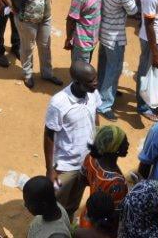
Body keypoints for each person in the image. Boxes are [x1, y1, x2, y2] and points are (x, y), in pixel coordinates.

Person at [43, 61, 100, 217]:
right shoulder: (59, 102)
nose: (96, 83)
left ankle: (66, 227)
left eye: (95, 78)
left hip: (85, 163)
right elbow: (49, 134)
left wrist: (97, 142)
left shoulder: (93, 93)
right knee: (54, 204)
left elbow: (95, 114)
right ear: (77, 82)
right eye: (91, 81)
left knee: (74, 202)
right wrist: (50, 169)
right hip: (64, 167)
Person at [96, 0, 136, 121]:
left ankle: (101, 89)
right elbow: (133, 10)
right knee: (115, 68)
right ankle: (105, 103)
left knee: (104, 64)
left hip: (102, 28)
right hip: (115, 33)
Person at [81, 126, 129, 224]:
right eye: (124, 143)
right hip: (101, 227)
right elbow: (116, 215)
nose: (128, 144)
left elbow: (83, 180)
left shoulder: (90, 158)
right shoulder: (117, 183)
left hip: (87, 216)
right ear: (115, 148)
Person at [66, 0, 106, 65]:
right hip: (82, 43)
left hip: (93, 40)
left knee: (85, 67)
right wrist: (69, 39)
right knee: (80, 71)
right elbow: (71, 19)